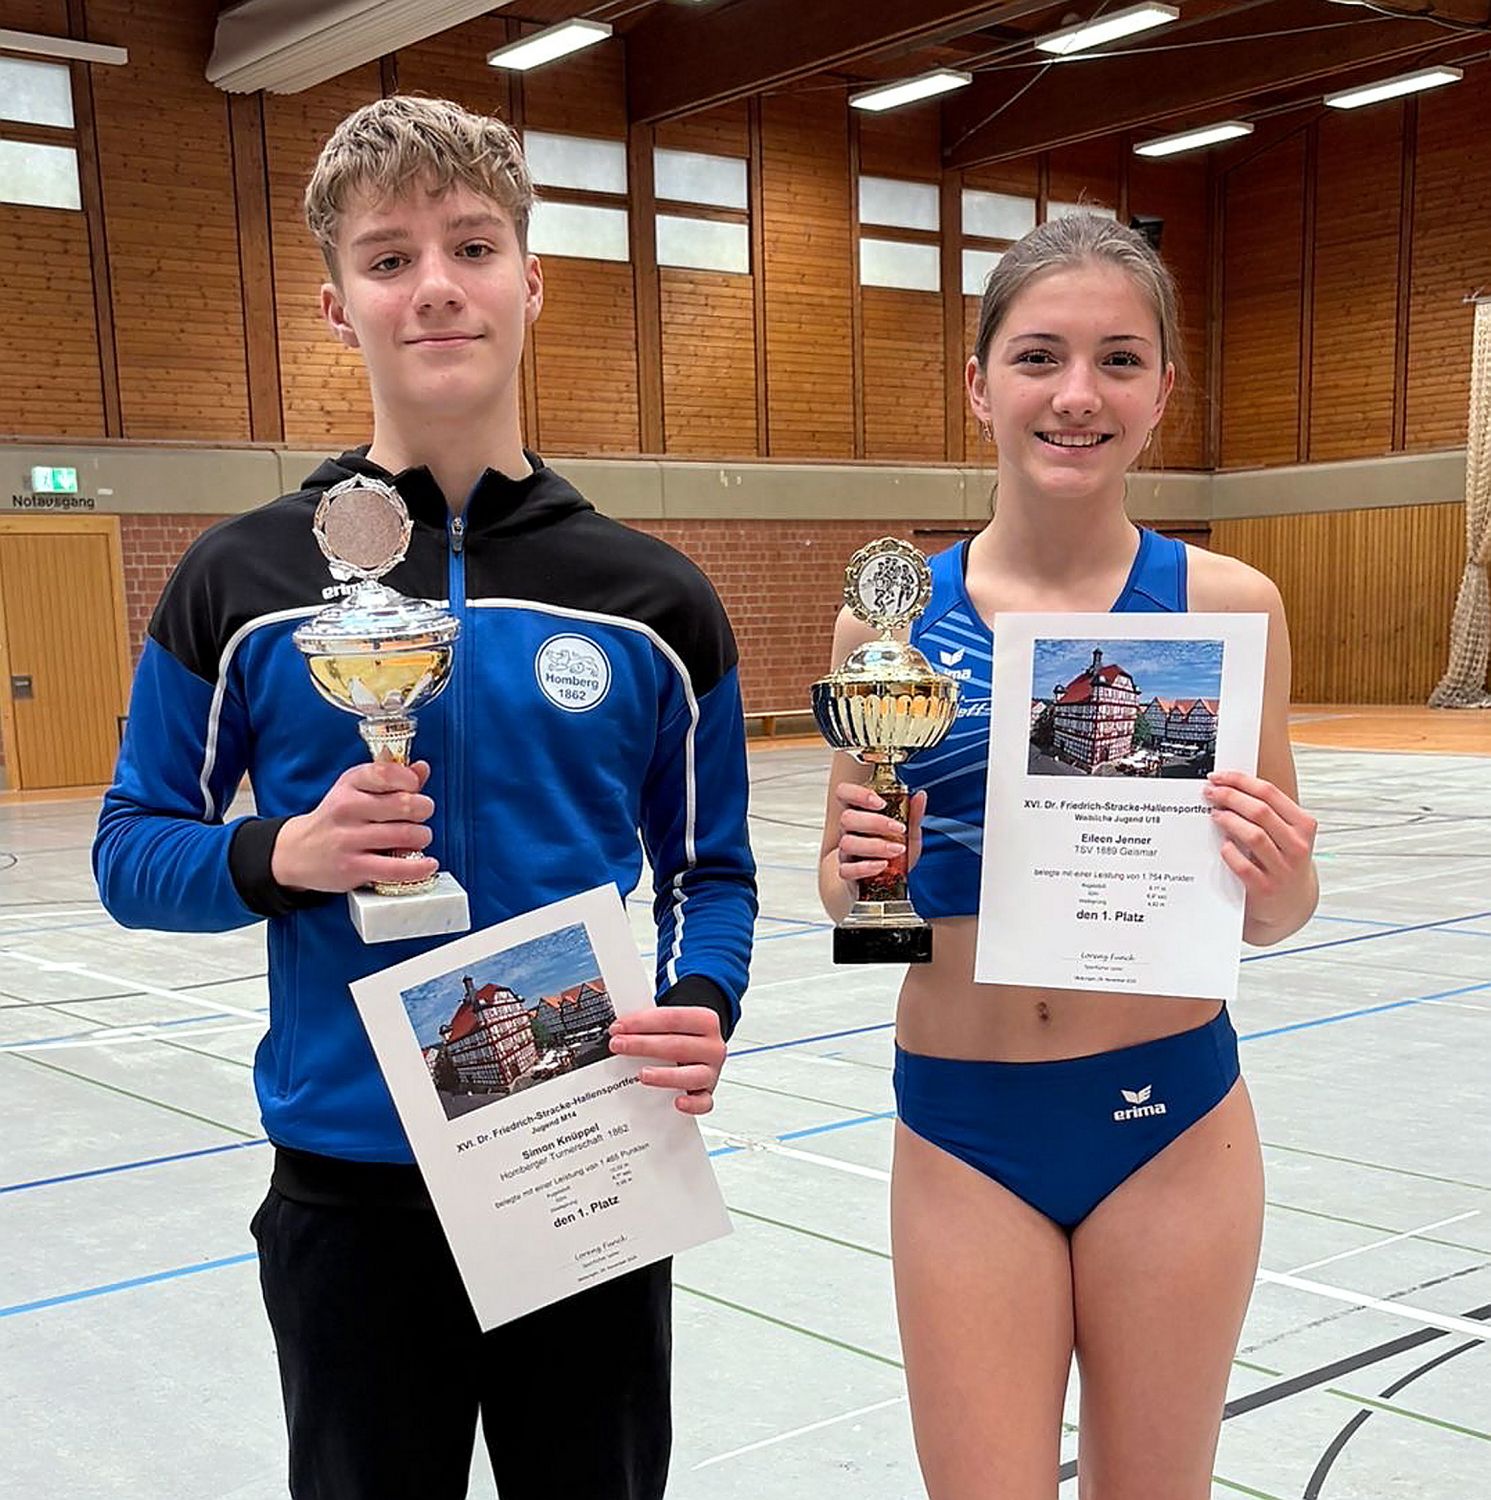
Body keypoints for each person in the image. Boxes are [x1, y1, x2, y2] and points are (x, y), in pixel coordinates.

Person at [93, 95, 756, 1500]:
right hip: (347, 1185)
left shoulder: (651, 599)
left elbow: (713, 874)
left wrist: (701, 1002)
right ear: (337, 306)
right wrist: (284, 853)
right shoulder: (243, 581)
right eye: (389, 258)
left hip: (581, 1155)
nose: (435, 286)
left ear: (532, 281)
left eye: (471, 246)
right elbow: (129, 849)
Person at [819, 214, 1318, 1499]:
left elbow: (1276, 915)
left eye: (1119, 359)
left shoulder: (1228, 607)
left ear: (1163, 390)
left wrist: (1280, 874)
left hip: (1172, 1124)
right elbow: (852, 898)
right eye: (1039, 356)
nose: (1078, 394)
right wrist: (860, 872)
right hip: (964, 1125)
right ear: (979, 384)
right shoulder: (887, 621)